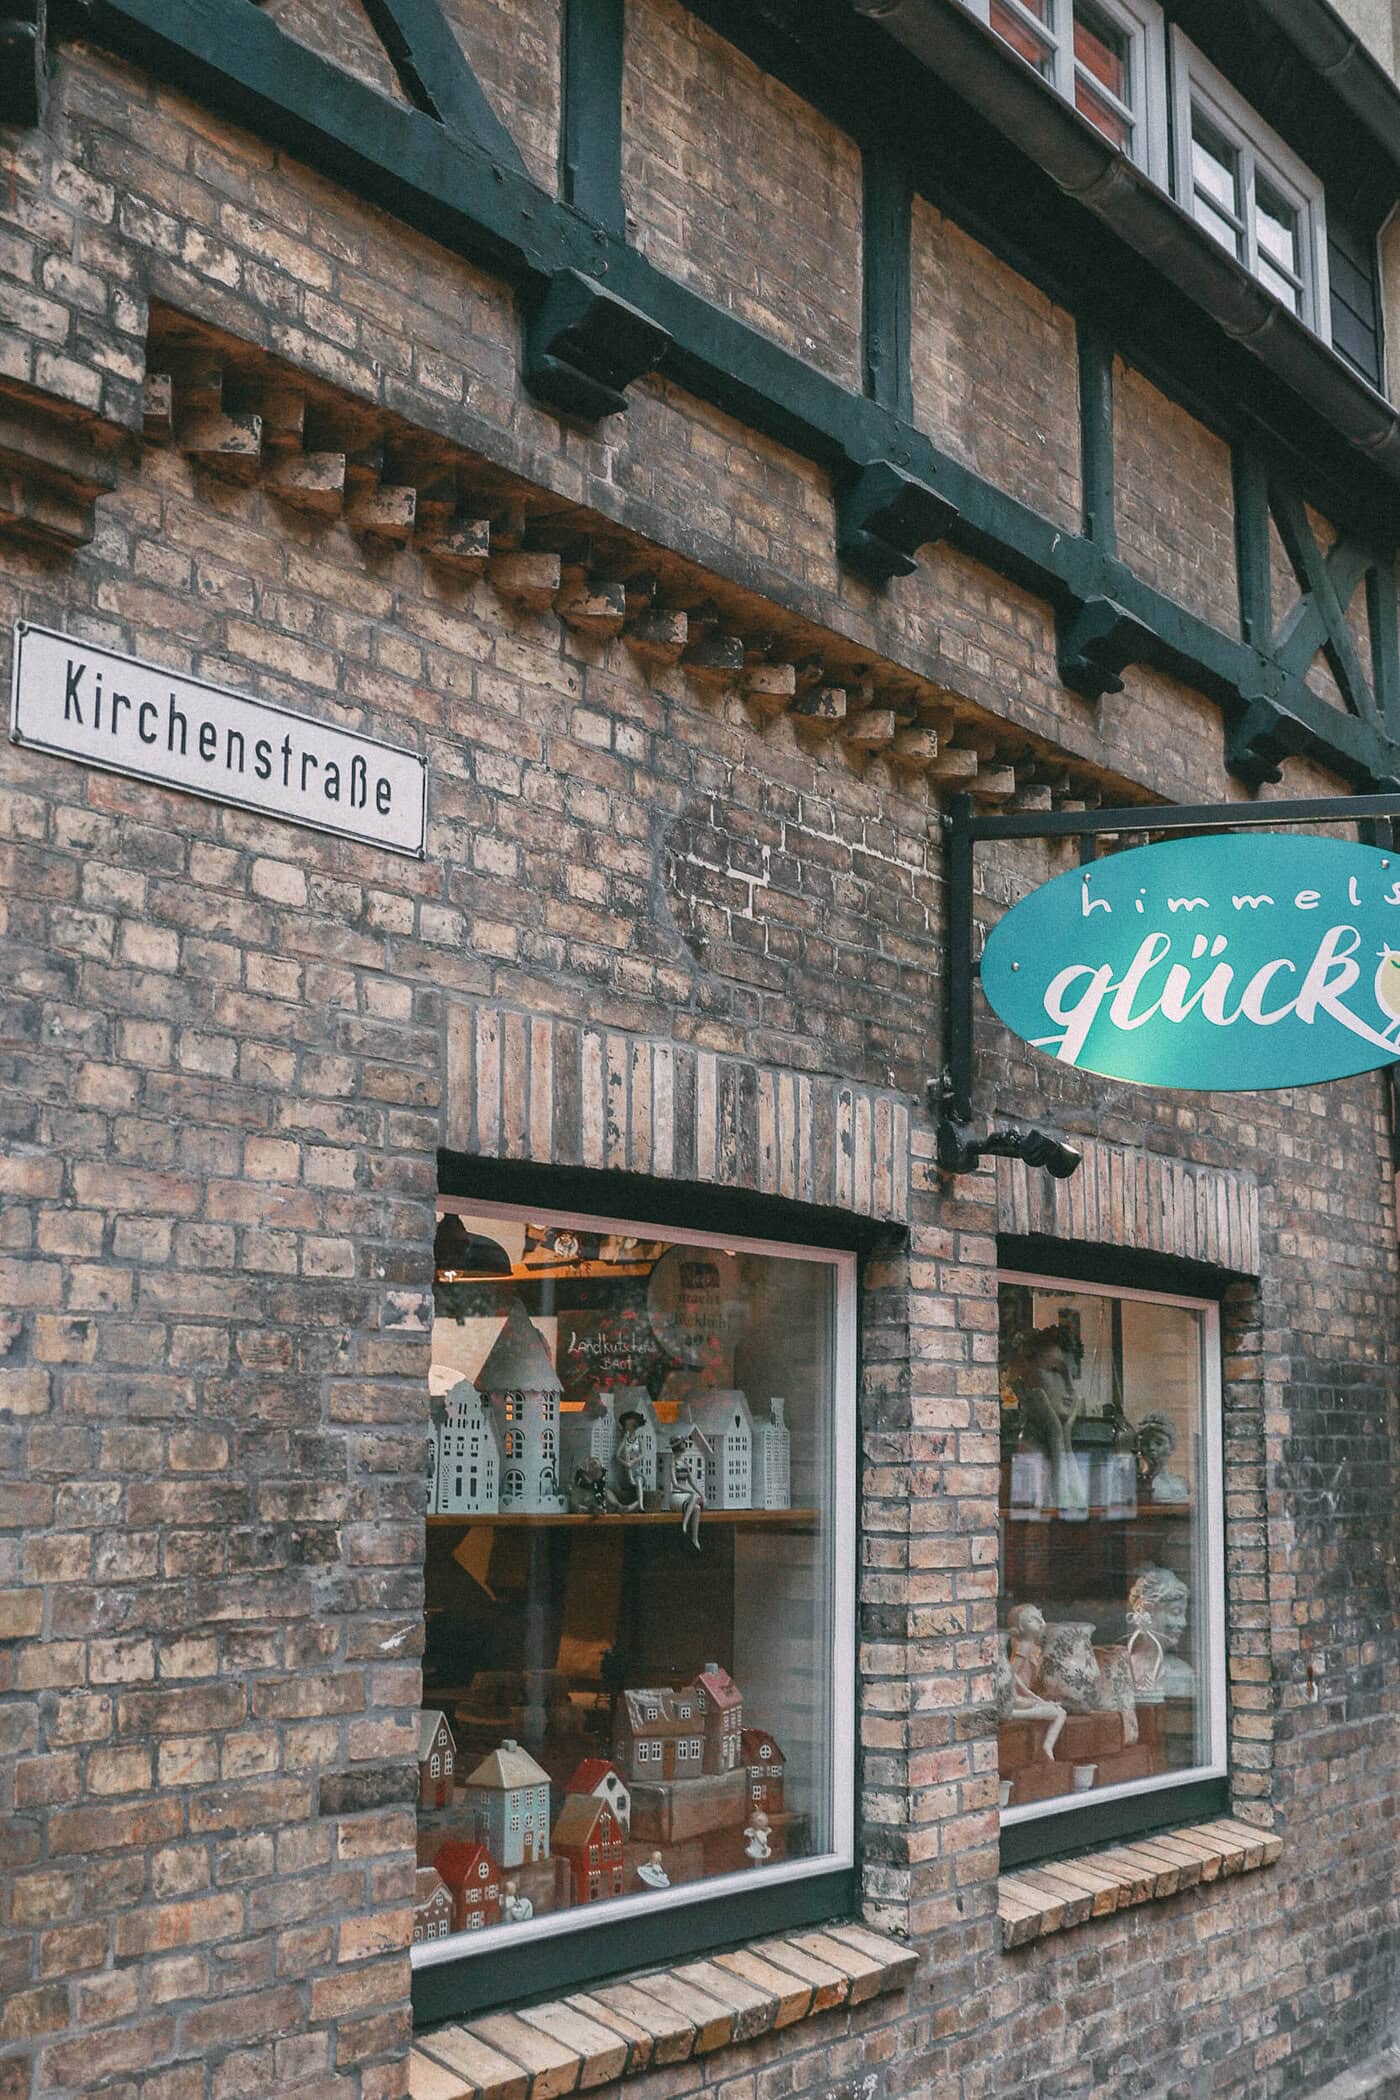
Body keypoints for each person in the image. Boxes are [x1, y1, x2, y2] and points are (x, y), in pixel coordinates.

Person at [1127, 1564, 1194, 1696]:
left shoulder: (1182, 1674)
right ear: (1148, 1612)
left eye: (1183, 1614)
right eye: (1175, 1612)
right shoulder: (1123, 1668)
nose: (1183, 1623)